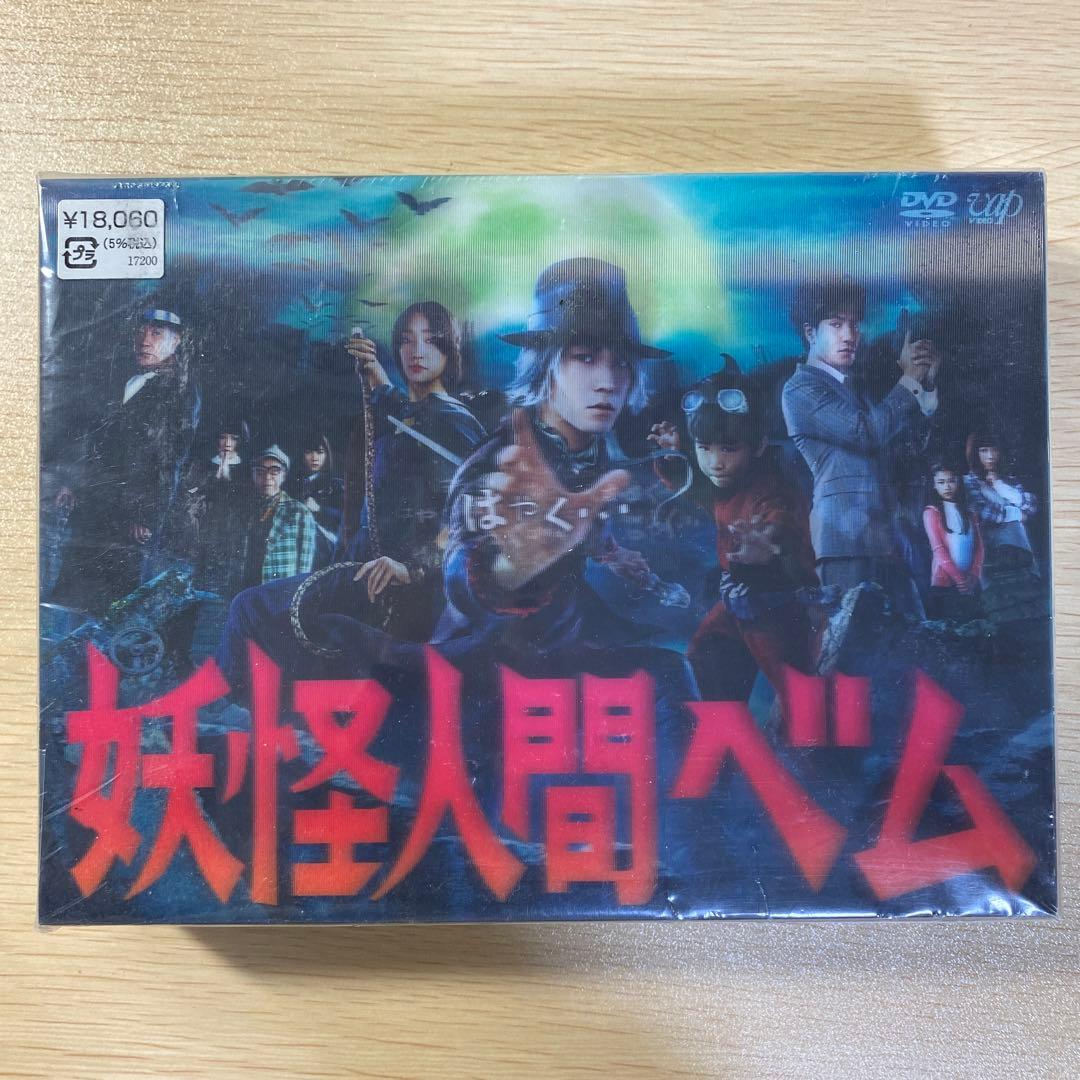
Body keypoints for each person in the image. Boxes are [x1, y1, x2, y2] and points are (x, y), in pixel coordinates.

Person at [217, 302, 485, 690]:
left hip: (397, 580)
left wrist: (413, 566)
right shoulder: (410, 412)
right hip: (362, 565)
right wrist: (373, 370)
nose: (416, 351)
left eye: (430, 340)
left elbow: (469, 514)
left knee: (249, 609)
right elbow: (394, 403)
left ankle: (231, 708)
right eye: (406, 340)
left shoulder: (452, 421)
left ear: (449, 349)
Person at [435, 257, 686, 661]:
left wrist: (611, 555)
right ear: (545, 366)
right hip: (494, 657)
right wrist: (510, 567)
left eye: (621, 363)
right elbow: (460, 570)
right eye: (585, 357)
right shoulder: (507, 461)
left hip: (567, 635)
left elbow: (578, 520)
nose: (608, 382)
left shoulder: (592, 450)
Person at [648, 360, 819, 703]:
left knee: (797, 690)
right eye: (704, 448)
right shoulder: (725, 484)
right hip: (737, 603)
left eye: (728, 449)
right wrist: (673, 456)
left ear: (758, 446)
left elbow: (782, 519)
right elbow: (696, 487)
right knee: (705, 660)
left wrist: (766, 543)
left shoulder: (771, 486)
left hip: (778, 607)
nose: (715, 462)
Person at [781, 278, 940, 620]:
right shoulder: (800, 388)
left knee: (913, 634)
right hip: (845, 543)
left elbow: (899, 448)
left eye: (854, 324)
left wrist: (924, 386)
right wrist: (909, 379)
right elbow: (867, 433)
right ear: (810, 333)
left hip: (885, 538)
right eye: (836, 324)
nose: (849, 335)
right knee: (854, 640)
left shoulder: (854, 390)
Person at [54, 306, 200, 611]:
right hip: (94, 506)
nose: (144, 340)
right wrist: (73, 485)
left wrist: (146, 517)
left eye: (156, 333)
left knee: (113, 606)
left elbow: (169, 461)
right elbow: (97, 440)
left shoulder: (182, 392)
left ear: (176, 341)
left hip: (129, 521)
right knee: (70, 595)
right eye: (141, 331)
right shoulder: (125, 379)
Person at [238, 445, 317, 591]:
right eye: (260, 471)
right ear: (253, 474)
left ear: (284, 475)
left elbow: (304, 568)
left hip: (279, 592)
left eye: (274, 471)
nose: (267, 477)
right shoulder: (245, 508)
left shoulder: (299, 512)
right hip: (247, 588)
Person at [922, 461, 984, 622]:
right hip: (944, 585)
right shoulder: (932, 513)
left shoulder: (970, 512)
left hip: (970, 583)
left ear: (958, 482)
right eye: (941, 482)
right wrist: (960, 581)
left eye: (951, 481)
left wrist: (974, 574)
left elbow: (979, 547)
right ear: (934, 485)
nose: (947, 487)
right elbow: (938, 550)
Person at [290, 432, 344, 566]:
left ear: (327, 455)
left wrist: (319, 509)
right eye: (309, 452)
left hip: (328, 546)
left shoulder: (336, 485)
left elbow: (346, 518)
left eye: (320, 452)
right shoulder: (293, 485)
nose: (314, 458)